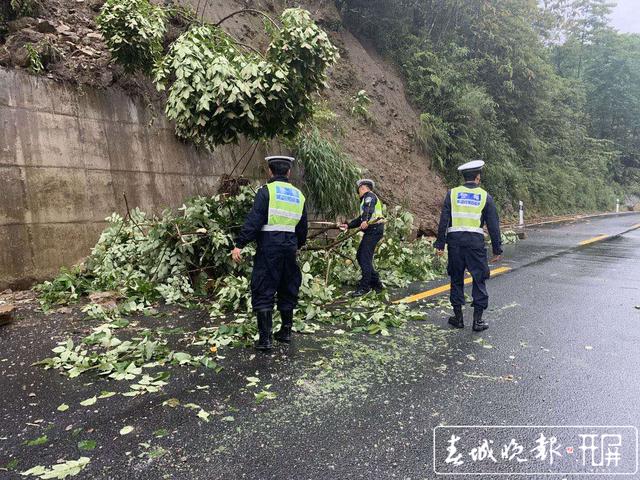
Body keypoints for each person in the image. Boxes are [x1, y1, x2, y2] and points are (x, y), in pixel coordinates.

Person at [231, 156, 308, 351]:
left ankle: (265, 340)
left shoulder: (266, 192)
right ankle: (286, 332)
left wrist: (240, 244)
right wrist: (297, 245)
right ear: (288, 172)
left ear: (270, 171)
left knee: (264, 286)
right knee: (288, 285)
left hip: (269, 247)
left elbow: (254, 220)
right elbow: (302, 226)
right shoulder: (299, 195)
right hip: (290, 247)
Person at [434, 160, 502, 331]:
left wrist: (440, 244)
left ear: (464, 178)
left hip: (455, 244)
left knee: (456, 279)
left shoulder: (452, 193)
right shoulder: (485, 196)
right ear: (477, 177)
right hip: (475, 245)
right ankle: (477, 321)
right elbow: (493, 225)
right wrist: (497, 248)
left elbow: (444, 221)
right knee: (479, 279)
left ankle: (458, 319)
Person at [339, 179, 385, 297]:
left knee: (364, 257)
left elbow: (367, 210)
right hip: (373, 230)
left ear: (363, 188)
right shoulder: (367, 199)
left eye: (358, 189)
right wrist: (348, 225)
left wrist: (365, 220)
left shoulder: (369, 197)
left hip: (374, 230)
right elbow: (361, 217)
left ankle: (365, 287)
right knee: (361, 256)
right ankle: (376, 282)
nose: (357, 192)